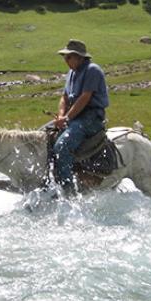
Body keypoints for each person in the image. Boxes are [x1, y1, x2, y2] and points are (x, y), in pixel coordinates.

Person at [52, 39, 109, 193]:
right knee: (44, 138)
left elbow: (85, 97)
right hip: (75, 117)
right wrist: (61, 116)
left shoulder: (92, 70)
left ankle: (68, 191)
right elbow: (64, 97)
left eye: (69, 57)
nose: (66, 60)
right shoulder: (71, 73)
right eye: (65, 57)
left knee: (62, 147)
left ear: (79, 57)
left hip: (91, 118)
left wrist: (67, 118)